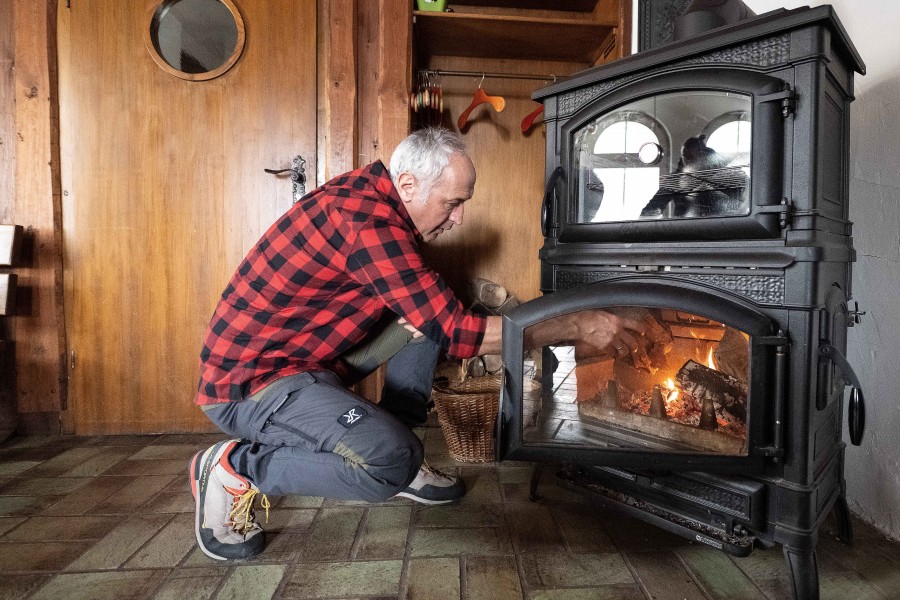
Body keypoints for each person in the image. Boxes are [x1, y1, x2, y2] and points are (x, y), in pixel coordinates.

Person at [190, 127, 645, 561]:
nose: (459, 217)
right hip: (250, 386)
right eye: (452, 203)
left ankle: (395, 445)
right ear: (407, 183)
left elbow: (435, 318)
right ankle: (238, 467)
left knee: (424, 318)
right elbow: (460, 334)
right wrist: (576, 326)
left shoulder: (375, 198)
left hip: (306, 364)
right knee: (392, 458)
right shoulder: (366, 224)